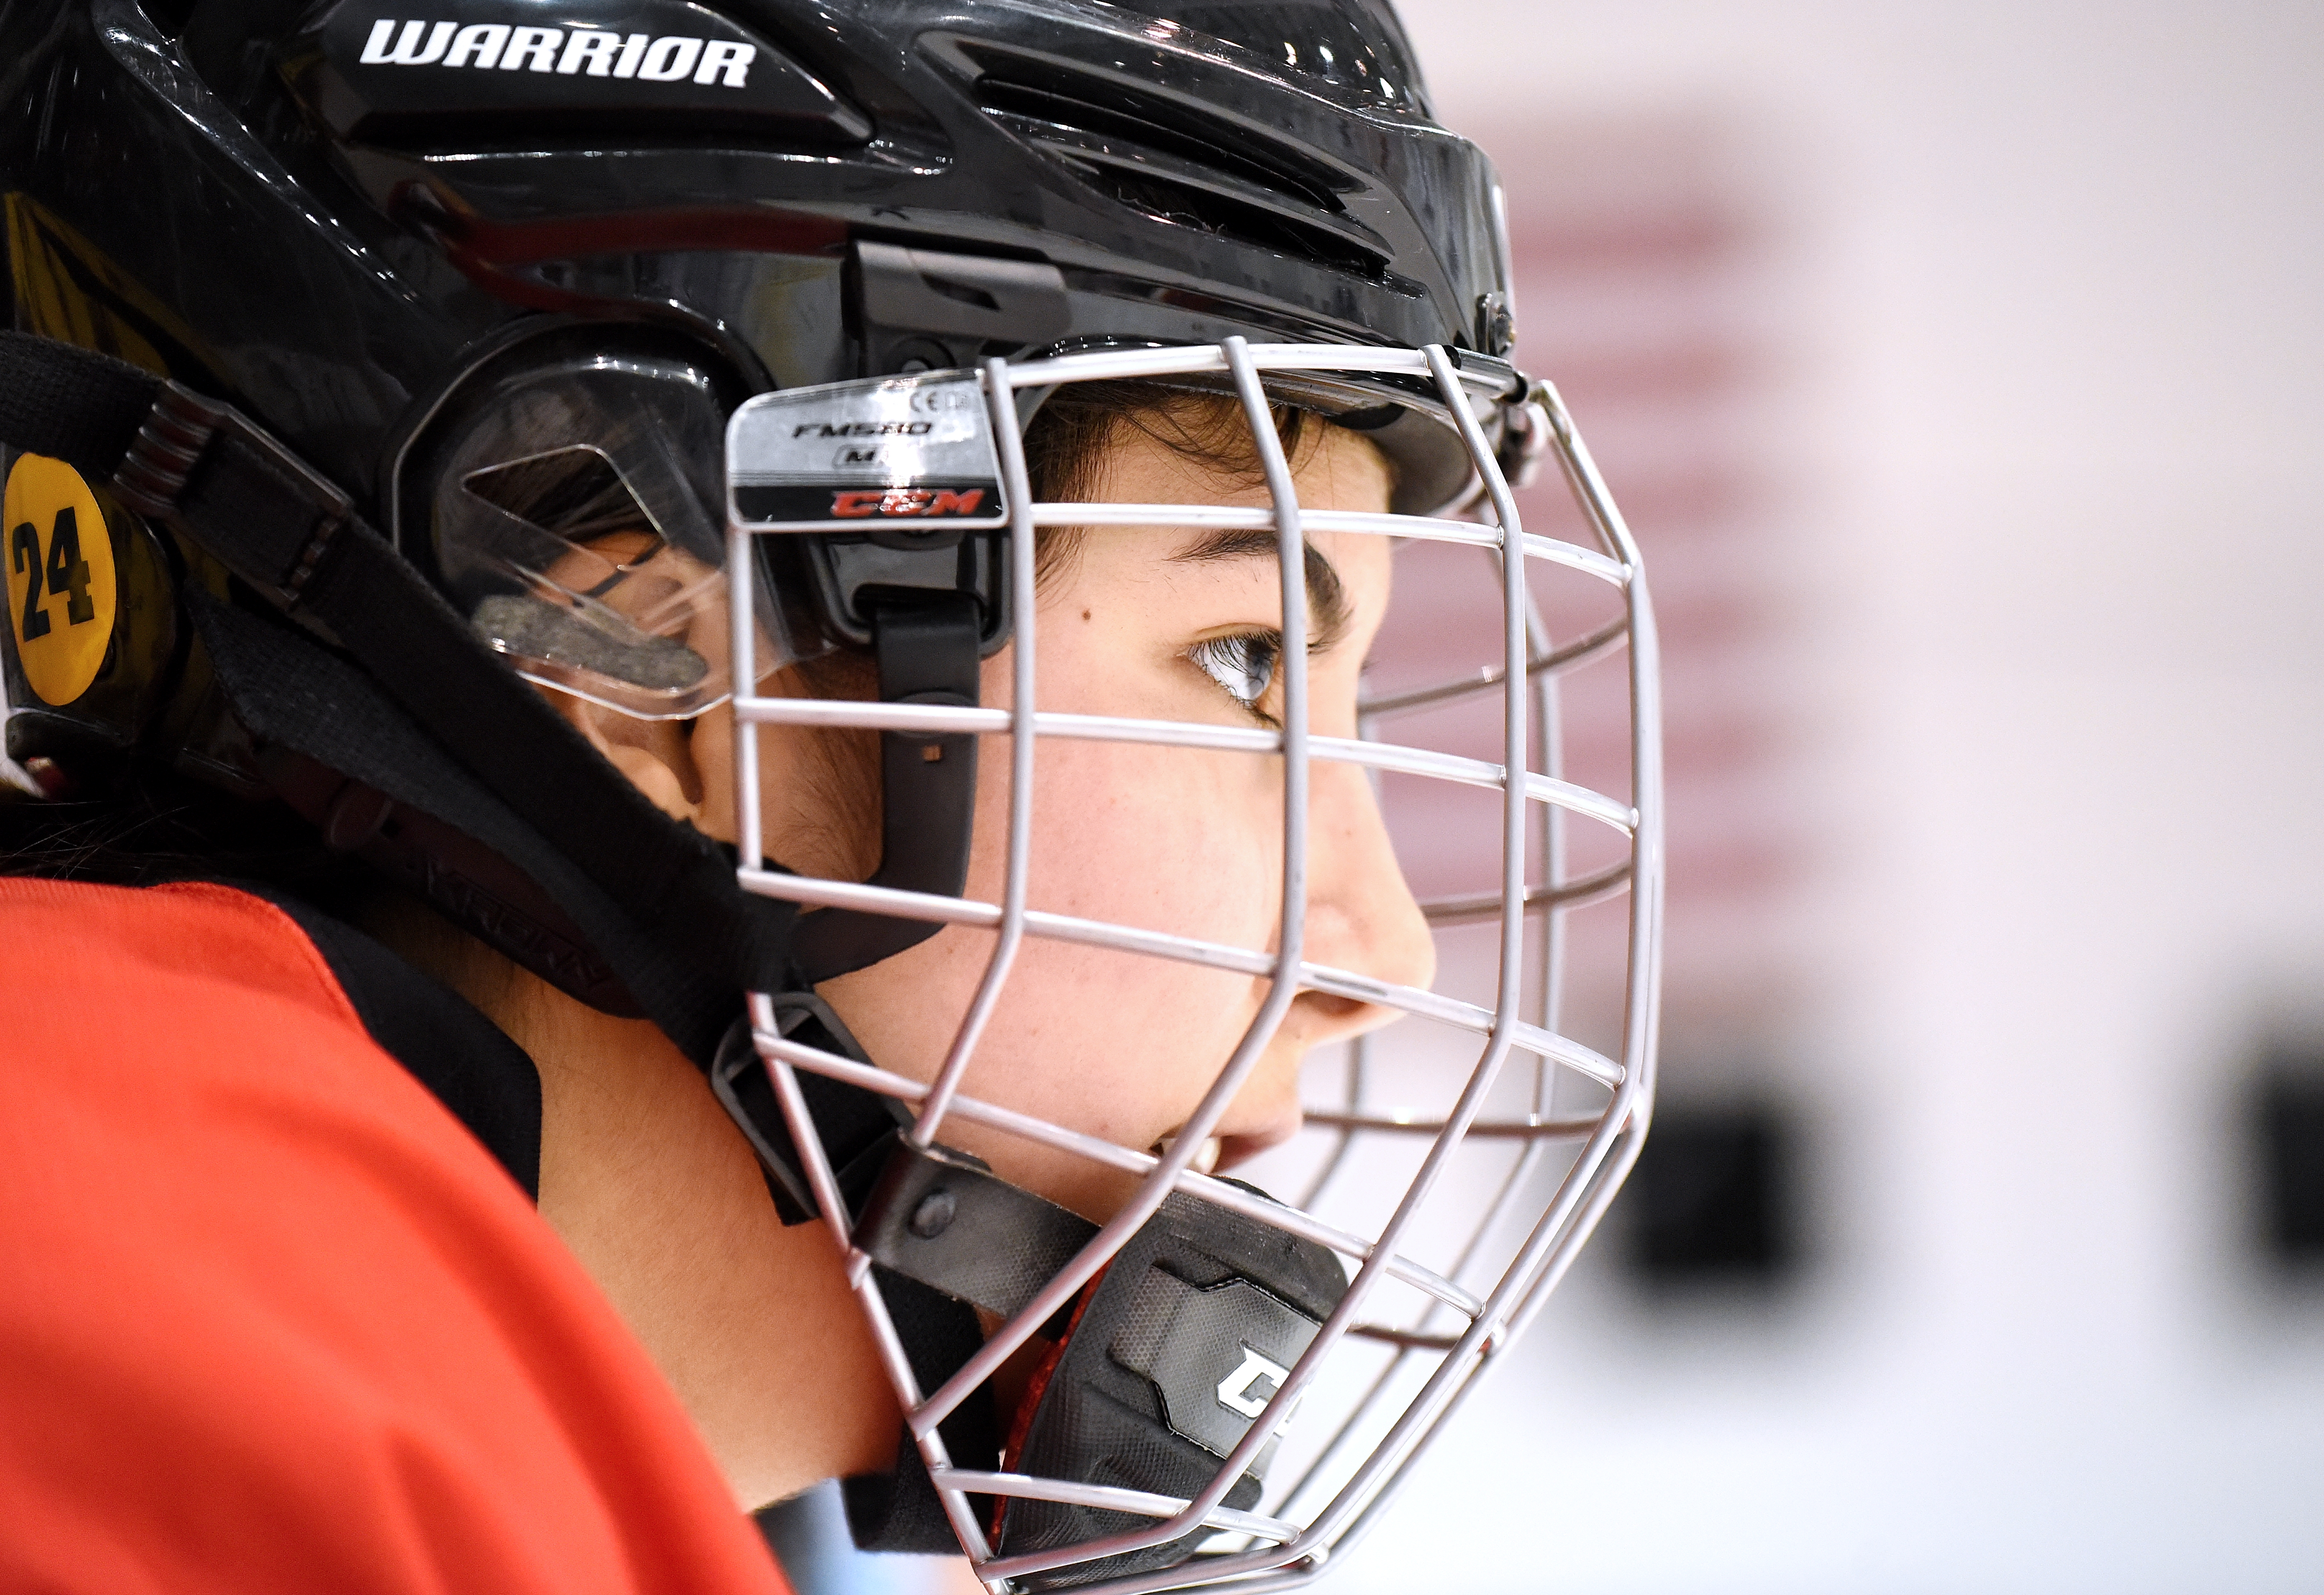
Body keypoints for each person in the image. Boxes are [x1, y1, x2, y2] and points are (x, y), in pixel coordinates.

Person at [0, 1, 1662, 1590]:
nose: (1378, 953)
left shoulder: (310, 1329)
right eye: (1241, 663)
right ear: (652, 666)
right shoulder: (176, 1373)